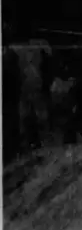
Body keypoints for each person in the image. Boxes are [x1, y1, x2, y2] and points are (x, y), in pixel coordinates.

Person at [8, 22, 53, 151]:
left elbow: (49, 58)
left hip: (32, 86)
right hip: (27, 86)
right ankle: (30, 144)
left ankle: (42, 144)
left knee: (36, 116)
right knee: (28, 116)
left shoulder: (36, 44)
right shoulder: (16, 47)